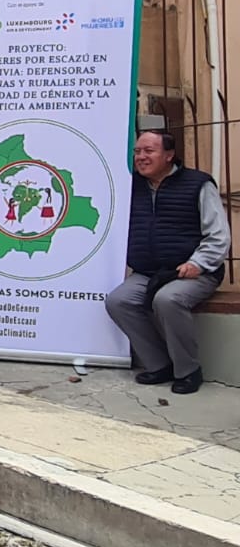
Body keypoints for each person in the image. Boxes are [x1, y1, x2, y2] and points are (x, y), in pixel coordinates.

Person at [105, 131, 230, 395]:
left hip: (194, 272)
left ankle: (188, 370)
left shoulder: (198, 184)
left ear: (169, 155)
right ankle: (159, 364)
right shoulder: (131, 185)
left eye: (148, 151)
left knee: (168, 300)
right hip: (148, 272)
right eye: (137, 151)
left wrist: (198, 263)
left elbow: (218, 235)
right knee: (118, 301)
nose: (140, 157)